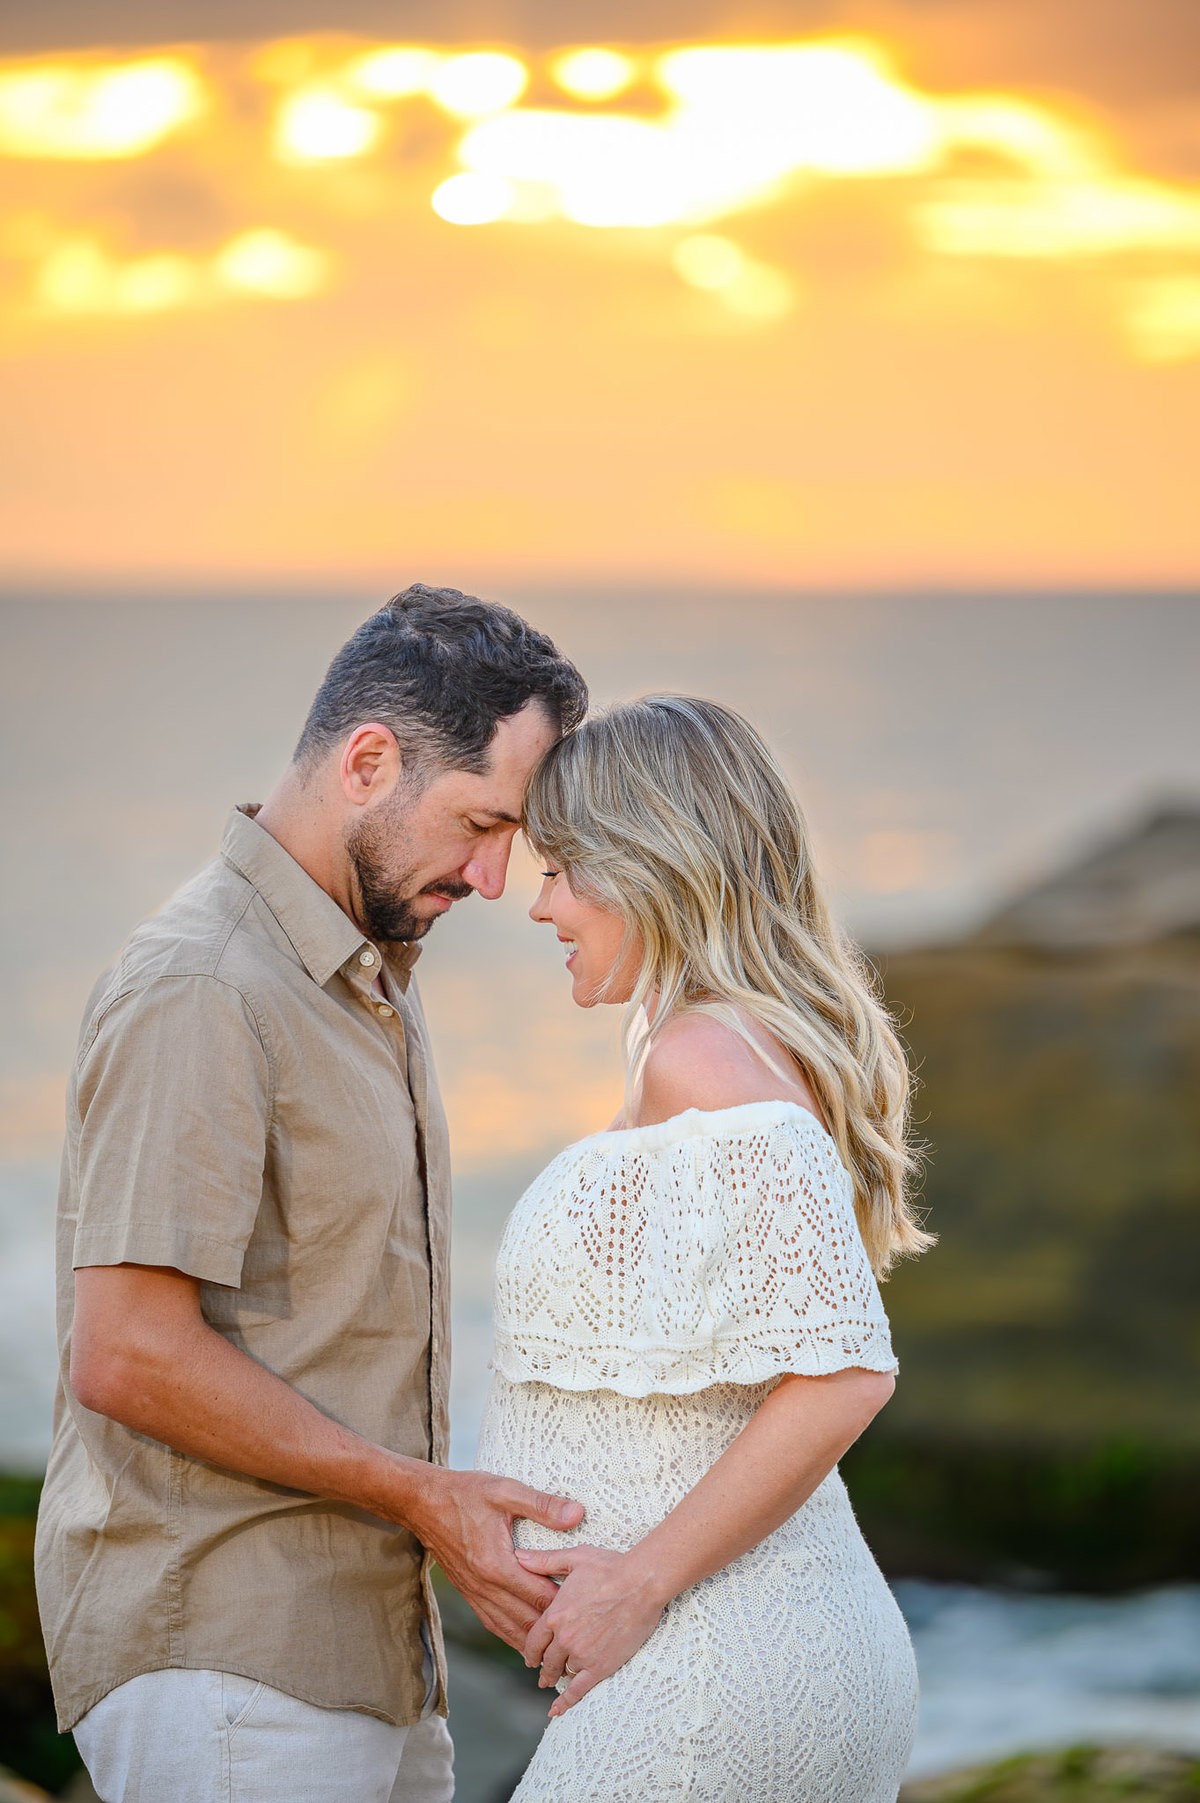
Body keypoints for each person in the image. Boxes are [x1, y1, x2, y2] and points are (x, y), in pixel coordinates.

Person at [35, 584, 589, 1803]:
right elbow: (125, 1353)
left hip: (369, 1662)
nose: (494, 876)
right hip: (230, 1669)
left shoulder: (360, 973)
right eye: (480, 822)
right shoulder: (207, 985)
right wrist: (427, 1498)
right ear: (368, 762)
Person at [476, 694, 934, 1802]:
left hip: (712, 1666)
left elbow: (846, 1373)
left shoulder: (706, 1059)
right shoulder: (721, 1044)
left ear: (652, 863)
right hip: (749, 1648)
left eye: (563, 870)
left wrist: (636, 1584)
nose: (542, 905)